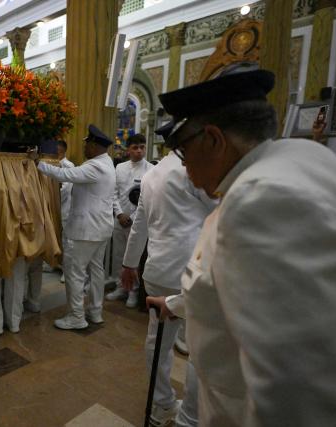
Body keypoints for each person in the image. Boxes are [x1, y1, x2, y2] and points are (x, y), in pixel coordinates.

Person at [146, 68, 336, 426]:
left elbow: (292, 386)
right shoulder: (301, 159)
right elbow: (259, 289)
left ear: (215, 140)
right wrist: (176, 304)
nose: (185, 169)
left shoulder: (260, 200)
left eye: (185, 152)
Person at [120, 138, 215, 426]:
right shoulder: (194, 171)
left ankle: (161, 403)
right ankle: (191, 415)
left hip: (158, 270)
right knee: (200, 347)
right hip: (191, 270)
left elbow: (140, 224)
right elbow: (221, 212)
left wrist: (128, 263)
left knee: (157, 341)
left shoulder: (151, 174)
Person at [29, 125, 116, 329]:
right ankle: (95, 311)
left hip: (86, 231)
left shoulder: (95, 166)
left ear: (94, 146)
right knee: (96, 271)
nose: (84, 147)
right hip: (100, 230)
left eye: (87, 144)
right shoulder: (107, 163)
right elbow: (74, 173)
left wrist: (37, 162)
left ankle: (76, 316)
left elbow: (65, 175)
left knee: (75, 273)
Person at [105, 133, 153, 307]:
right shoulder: (120, 168)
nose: (139, 151)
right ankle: (120, 287)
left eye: (142, 147)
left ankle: (133, 291)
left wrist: (132, 217)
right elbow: (114, 193)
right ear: (128, 149)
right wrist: (119, 214)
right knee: (119, 256)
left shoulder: (150, 170)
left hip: (138, 222)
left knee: (135, 257)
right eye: (135, 147)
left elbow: (147, 197)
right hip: (120, 220)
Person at [56, 140, 74, 284]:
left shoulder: (68, 166)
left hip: (64, 208)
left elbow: (65, 190)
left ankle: (66, 270)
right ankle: (54, 263)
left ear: (61, 151)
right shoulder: (51, 164)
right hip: (53, 209)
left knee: (66, 241)